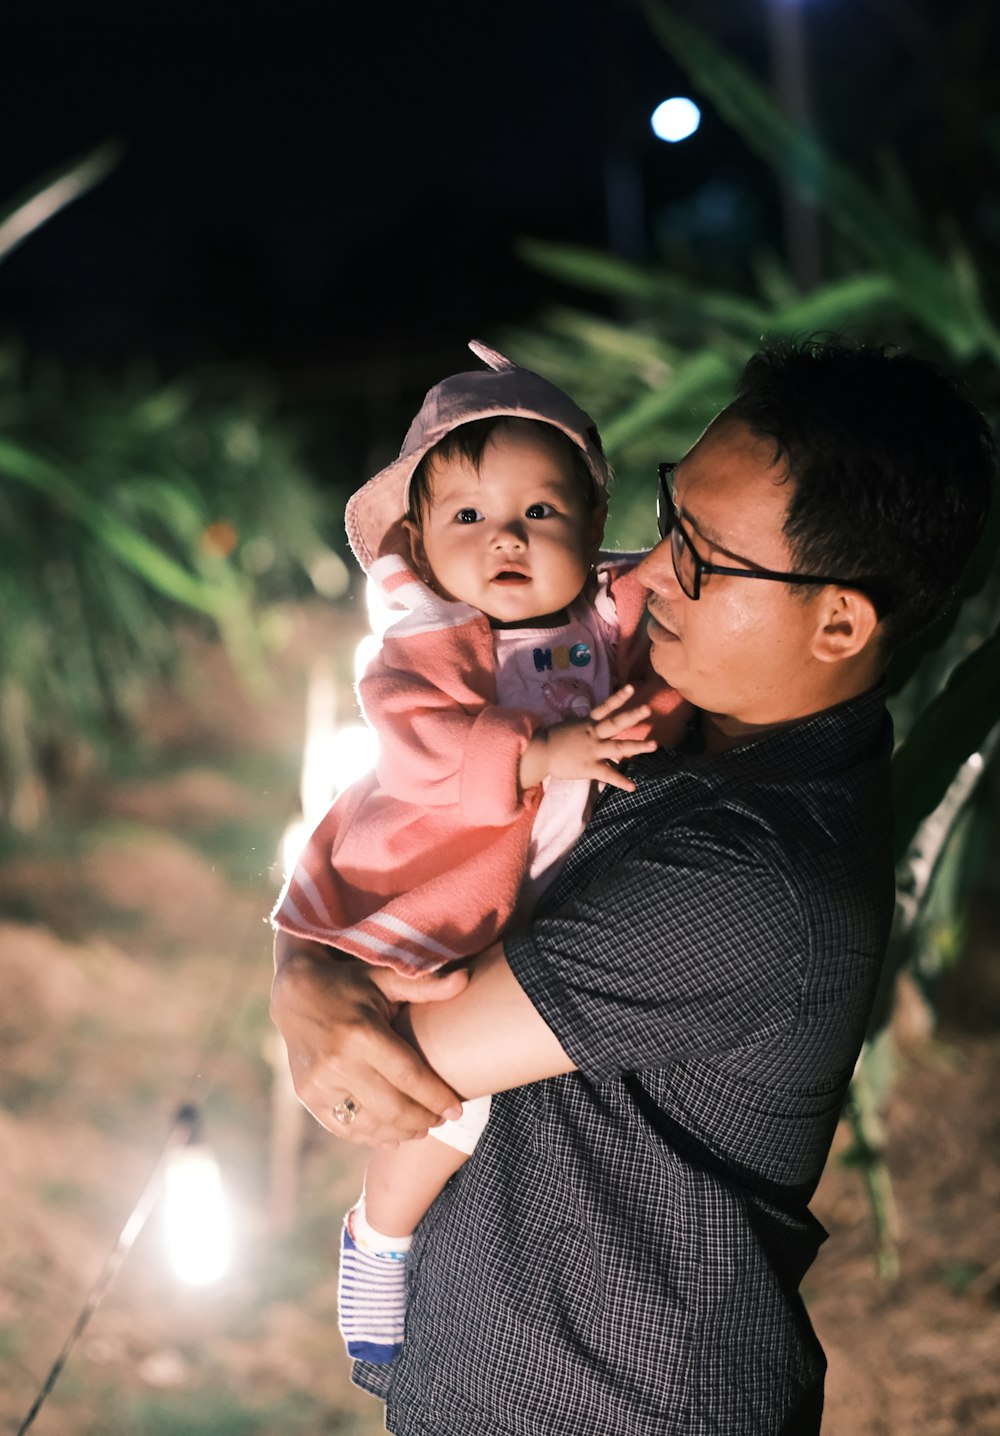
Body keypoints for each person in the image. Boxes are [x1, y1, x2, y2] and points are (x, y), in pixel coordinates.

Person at [270, 338, 995, 1435]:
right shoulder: (663, 711)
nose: (646, 574)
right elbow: (403, 802)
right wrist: (300, 956)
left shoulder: (755, 878)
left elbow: (385, 1068)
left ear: (839, 622)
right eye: (666, 522)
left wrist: (313, 980)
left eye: (699, 559)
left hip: (612, 1401)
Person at [271, 341, 689, 1363]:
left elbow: (680, 596)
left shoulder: (608, 613)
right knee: (446, 1097)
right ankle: (381, 1234)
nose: (504, 539)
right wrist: (540, 748)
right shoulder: (433, 639)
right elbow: (415, 748)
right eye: (467, 518)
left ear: (593, 528)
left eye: (540, 514)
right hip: (434, 878)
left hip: (539, 896)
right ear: (418, 538)